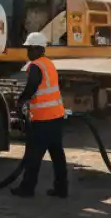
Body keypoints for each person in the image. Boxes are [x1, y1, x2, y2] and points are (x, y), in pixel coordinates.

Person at [10, 31, 68, 198]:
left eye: (29, 49)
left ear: (37, 49)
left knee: (33, 156)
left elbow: (32, 86)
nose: (27, 52)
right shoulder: (49, 64)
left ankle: (27, 189)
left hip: (43, 119)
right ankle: (61, 188)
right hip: (56, 116)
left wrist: (20, 101)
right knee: (57, 155)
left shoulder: (35, 66)